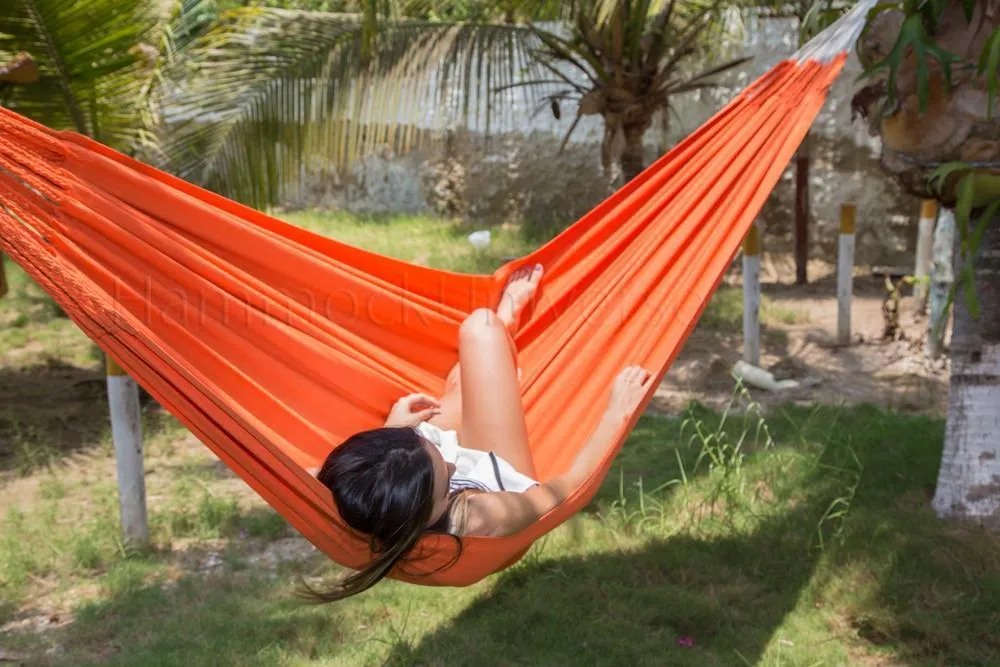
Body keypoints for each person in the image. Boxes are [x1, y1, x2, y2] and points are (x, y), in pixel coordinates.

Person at [307, 264, 653, 602]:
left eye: (428, 447)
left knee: (458, 393)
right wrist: (616, 412)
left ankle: (482, 383)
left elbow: (376, 479)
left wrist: (393, 434)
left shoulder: (345, 489)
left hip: (422, 480)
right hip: (497, 470)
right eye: (446, 480)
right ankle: (505, 329)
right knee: (481, 327)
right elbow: (568, 489)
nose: (453, 466)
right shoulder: (486, 515)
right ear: (428, 510)